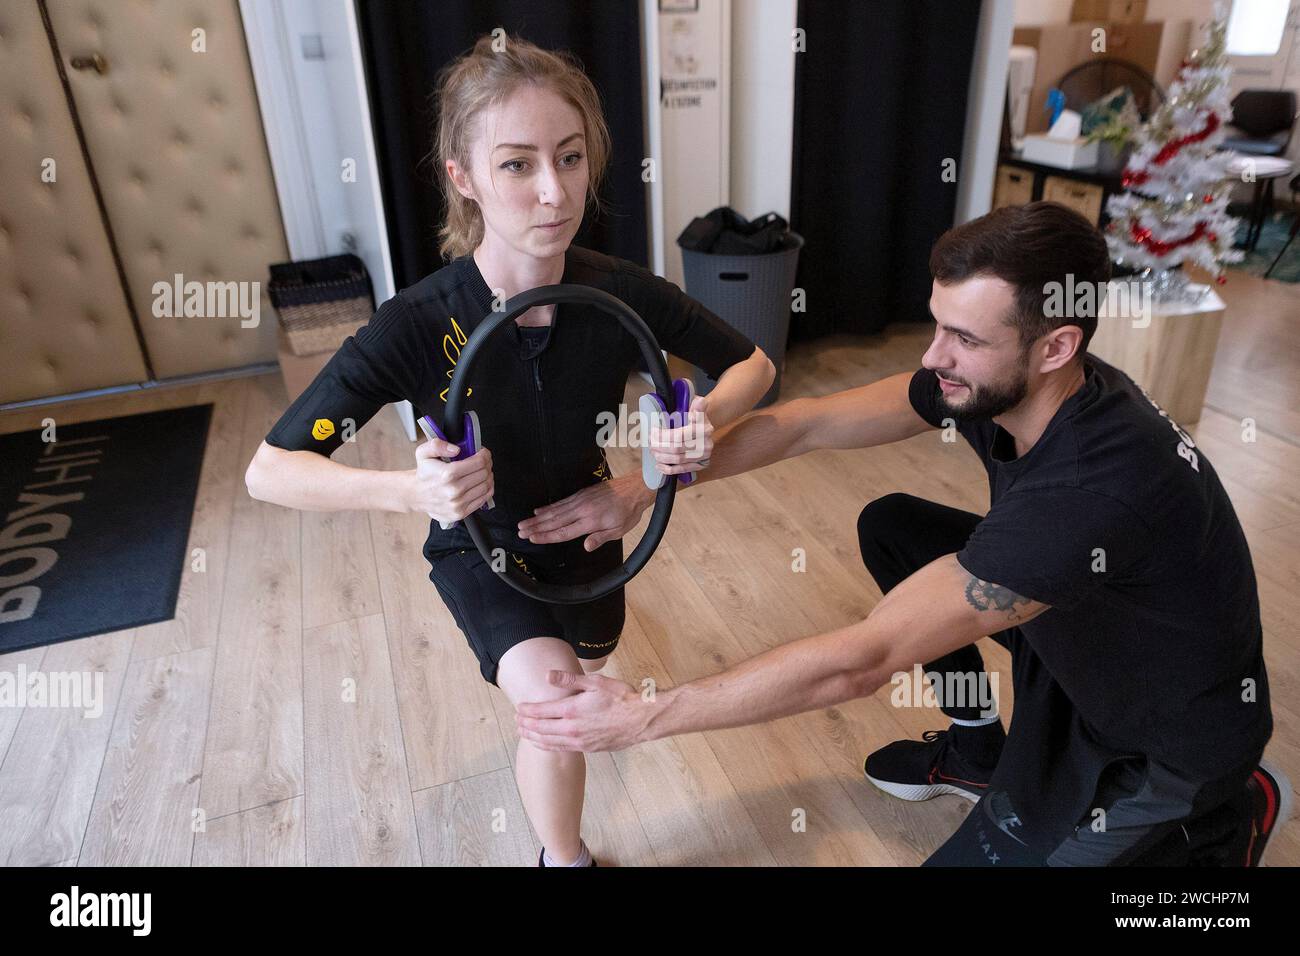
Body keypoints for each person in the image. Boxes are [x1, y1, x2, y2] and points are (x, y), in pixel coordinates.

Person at [514, 202, 1290, 866]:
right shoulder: (1008, 388)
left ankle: (1222, 824)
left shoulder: (1089, 493)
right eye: (937, 324)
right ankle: (979, 747)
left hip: (1161, 746)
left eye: (965, 340)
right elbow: (806, 424)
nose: (932, 358)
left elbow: (865, 661)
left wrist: (646, 715)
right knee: (892, 526)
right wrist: (644, 486)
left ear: (1057, 346)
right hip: (1086, 636)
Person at [245, 34, 774, 867]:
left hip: (594, 542)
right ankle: (563, 860)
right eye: (518, 165)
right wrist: (412, 493)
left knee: (584, 661)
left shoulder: (617, 291)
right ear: (464, 176)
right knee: (560, 703)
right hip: (480, 548)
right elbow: (271, 471)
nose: (553, 191)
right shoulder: (415, 323)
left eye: (569, 158)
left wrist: (653, 470)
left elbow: (755, 364)